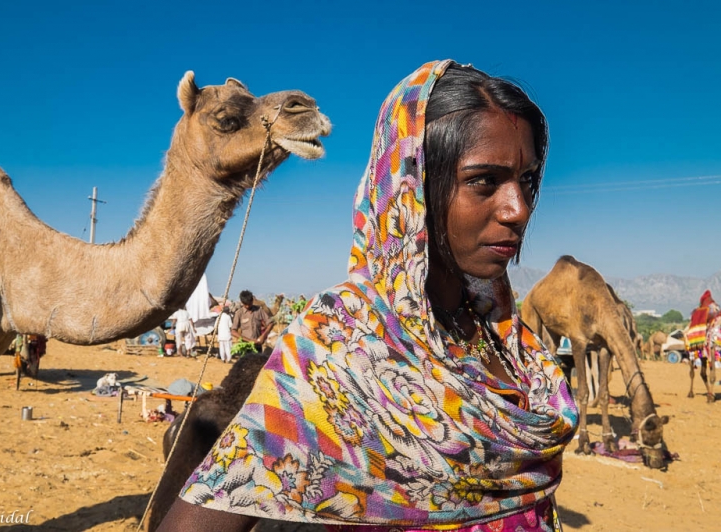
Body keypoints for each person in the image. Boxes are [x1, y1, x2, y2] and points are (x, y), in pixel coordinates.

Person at [158, 60, 577, 532]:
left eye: (527, 181)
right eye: (484, 180)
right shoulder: (343, 342)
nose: (517, 209)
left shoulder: (508, 340)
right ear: (412, 186)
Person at [686, 290, 720, 366]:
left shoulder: (699, 311)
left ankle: (697, 360)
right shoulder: (714, 307)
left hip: (705, 332)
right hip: (710, 330)